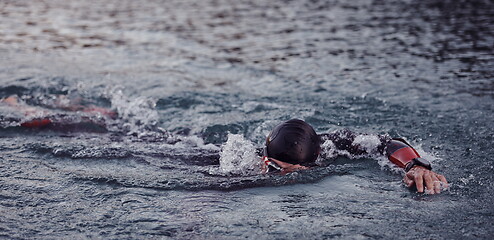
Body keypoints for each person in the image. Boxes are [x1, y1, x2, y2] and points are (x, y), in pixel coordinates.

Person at [262, 119, 448, 194]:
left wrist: (415, 165)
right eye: (273, 168)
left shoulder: (335, 145)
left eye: (288, 170)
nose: (281, 176)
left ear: (316, 160)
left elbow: (388, 144)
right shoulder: (241, 161)